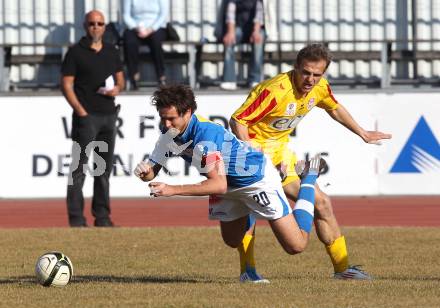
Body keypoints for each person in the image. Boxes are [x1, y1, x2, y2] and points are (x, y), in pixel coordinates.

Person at [229, 43, 392, 281]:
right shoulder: (275, 91)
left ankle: (343, 269)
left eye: (317, 74)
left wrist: (363, 133)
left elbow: (334, 108)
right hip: (254, 158)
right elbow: (238, 120)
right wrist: (252, 153)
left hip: (281, 154)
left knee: (322, 203)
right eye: (306, 72)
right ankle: (248, 272)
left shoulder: (320, 87)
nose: (310, 79)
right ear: (296, 67)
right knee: (250, 210)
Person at [134, 84, 323, 282]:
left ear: (188, 112)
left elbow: (218, 185)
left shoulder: (206, 135)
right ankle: (249, 271)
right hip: (226, 183)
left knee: (296, 246)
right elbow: (152, 171)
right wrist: (145, 172)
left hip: (255, 180)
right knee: (232, 241)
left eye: (171, 119)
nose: (166, 124)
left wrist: (172, 189)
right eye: (162, 118)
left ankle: (308, 178)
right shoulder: (168, 131)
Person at [61, 10, 125, 227]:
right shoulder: (75, 53)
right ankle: (76, 218)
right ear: (84, 25)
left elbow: (121, 81)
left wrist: (116, 90)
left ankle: (102, 217)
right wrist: (81, 111)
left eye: (99, 23)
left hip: (109, 115)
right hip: (87, 118)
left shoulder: (111, 51)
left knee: (103, 170)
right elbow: (66, 85)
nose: (95, 27)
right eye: (91, 23)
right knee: (79, 169)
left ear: (105, 26)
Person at [215, 0, 265, 91]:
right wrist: (230, 32)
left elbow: (259, 14)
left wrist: (256, 31)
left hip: (254, 28)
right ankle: (229, 80)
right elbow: (230, 14)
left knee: (258, 39)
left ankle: (255, 79)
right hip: (238, 28)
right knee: (229, 40)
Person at [122, 0, 169, 89]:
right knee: (130, 41)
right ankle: (134, 77)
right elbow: (126, 15)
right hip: (136, 27)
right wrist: (137, 28)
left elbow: (163, 14)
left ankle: (161, 76)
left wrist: (151, 29)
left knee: (156, 42)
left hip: (156, 27)